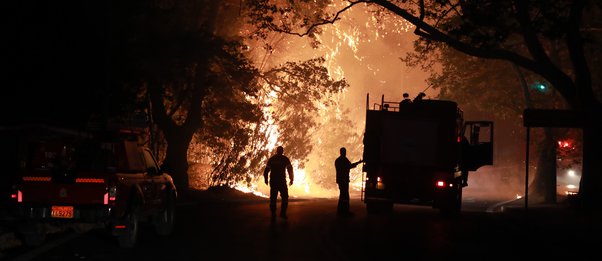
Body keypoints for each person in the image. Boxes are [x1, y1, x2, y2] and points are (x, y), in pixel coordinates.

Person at [264, 146, 294, 220]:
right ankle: (283, 213)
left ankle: (273, 213)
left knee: (273, 197)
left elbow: (266, 170)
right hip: (281, 181)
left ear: (277, 151)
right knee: (285, 197)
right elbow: (290, 169)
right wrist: (291, 179)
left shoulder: (272, 159)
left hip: (273, 181)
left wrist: (266, 179)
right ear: (282, 151)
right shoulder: (285, 159)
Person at [335, 147, 362, 216]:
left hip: (340, 180)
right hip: (344, 180)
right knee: (345, 196)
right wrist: (358, 163)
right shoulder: (344, 160)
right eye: (344, 152)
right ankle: (345, 211)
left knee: (342, 195)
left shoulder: (337, 160)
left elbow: (347, 166)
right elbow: (349, 166)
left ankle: (340, 210)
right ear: (343, 152)